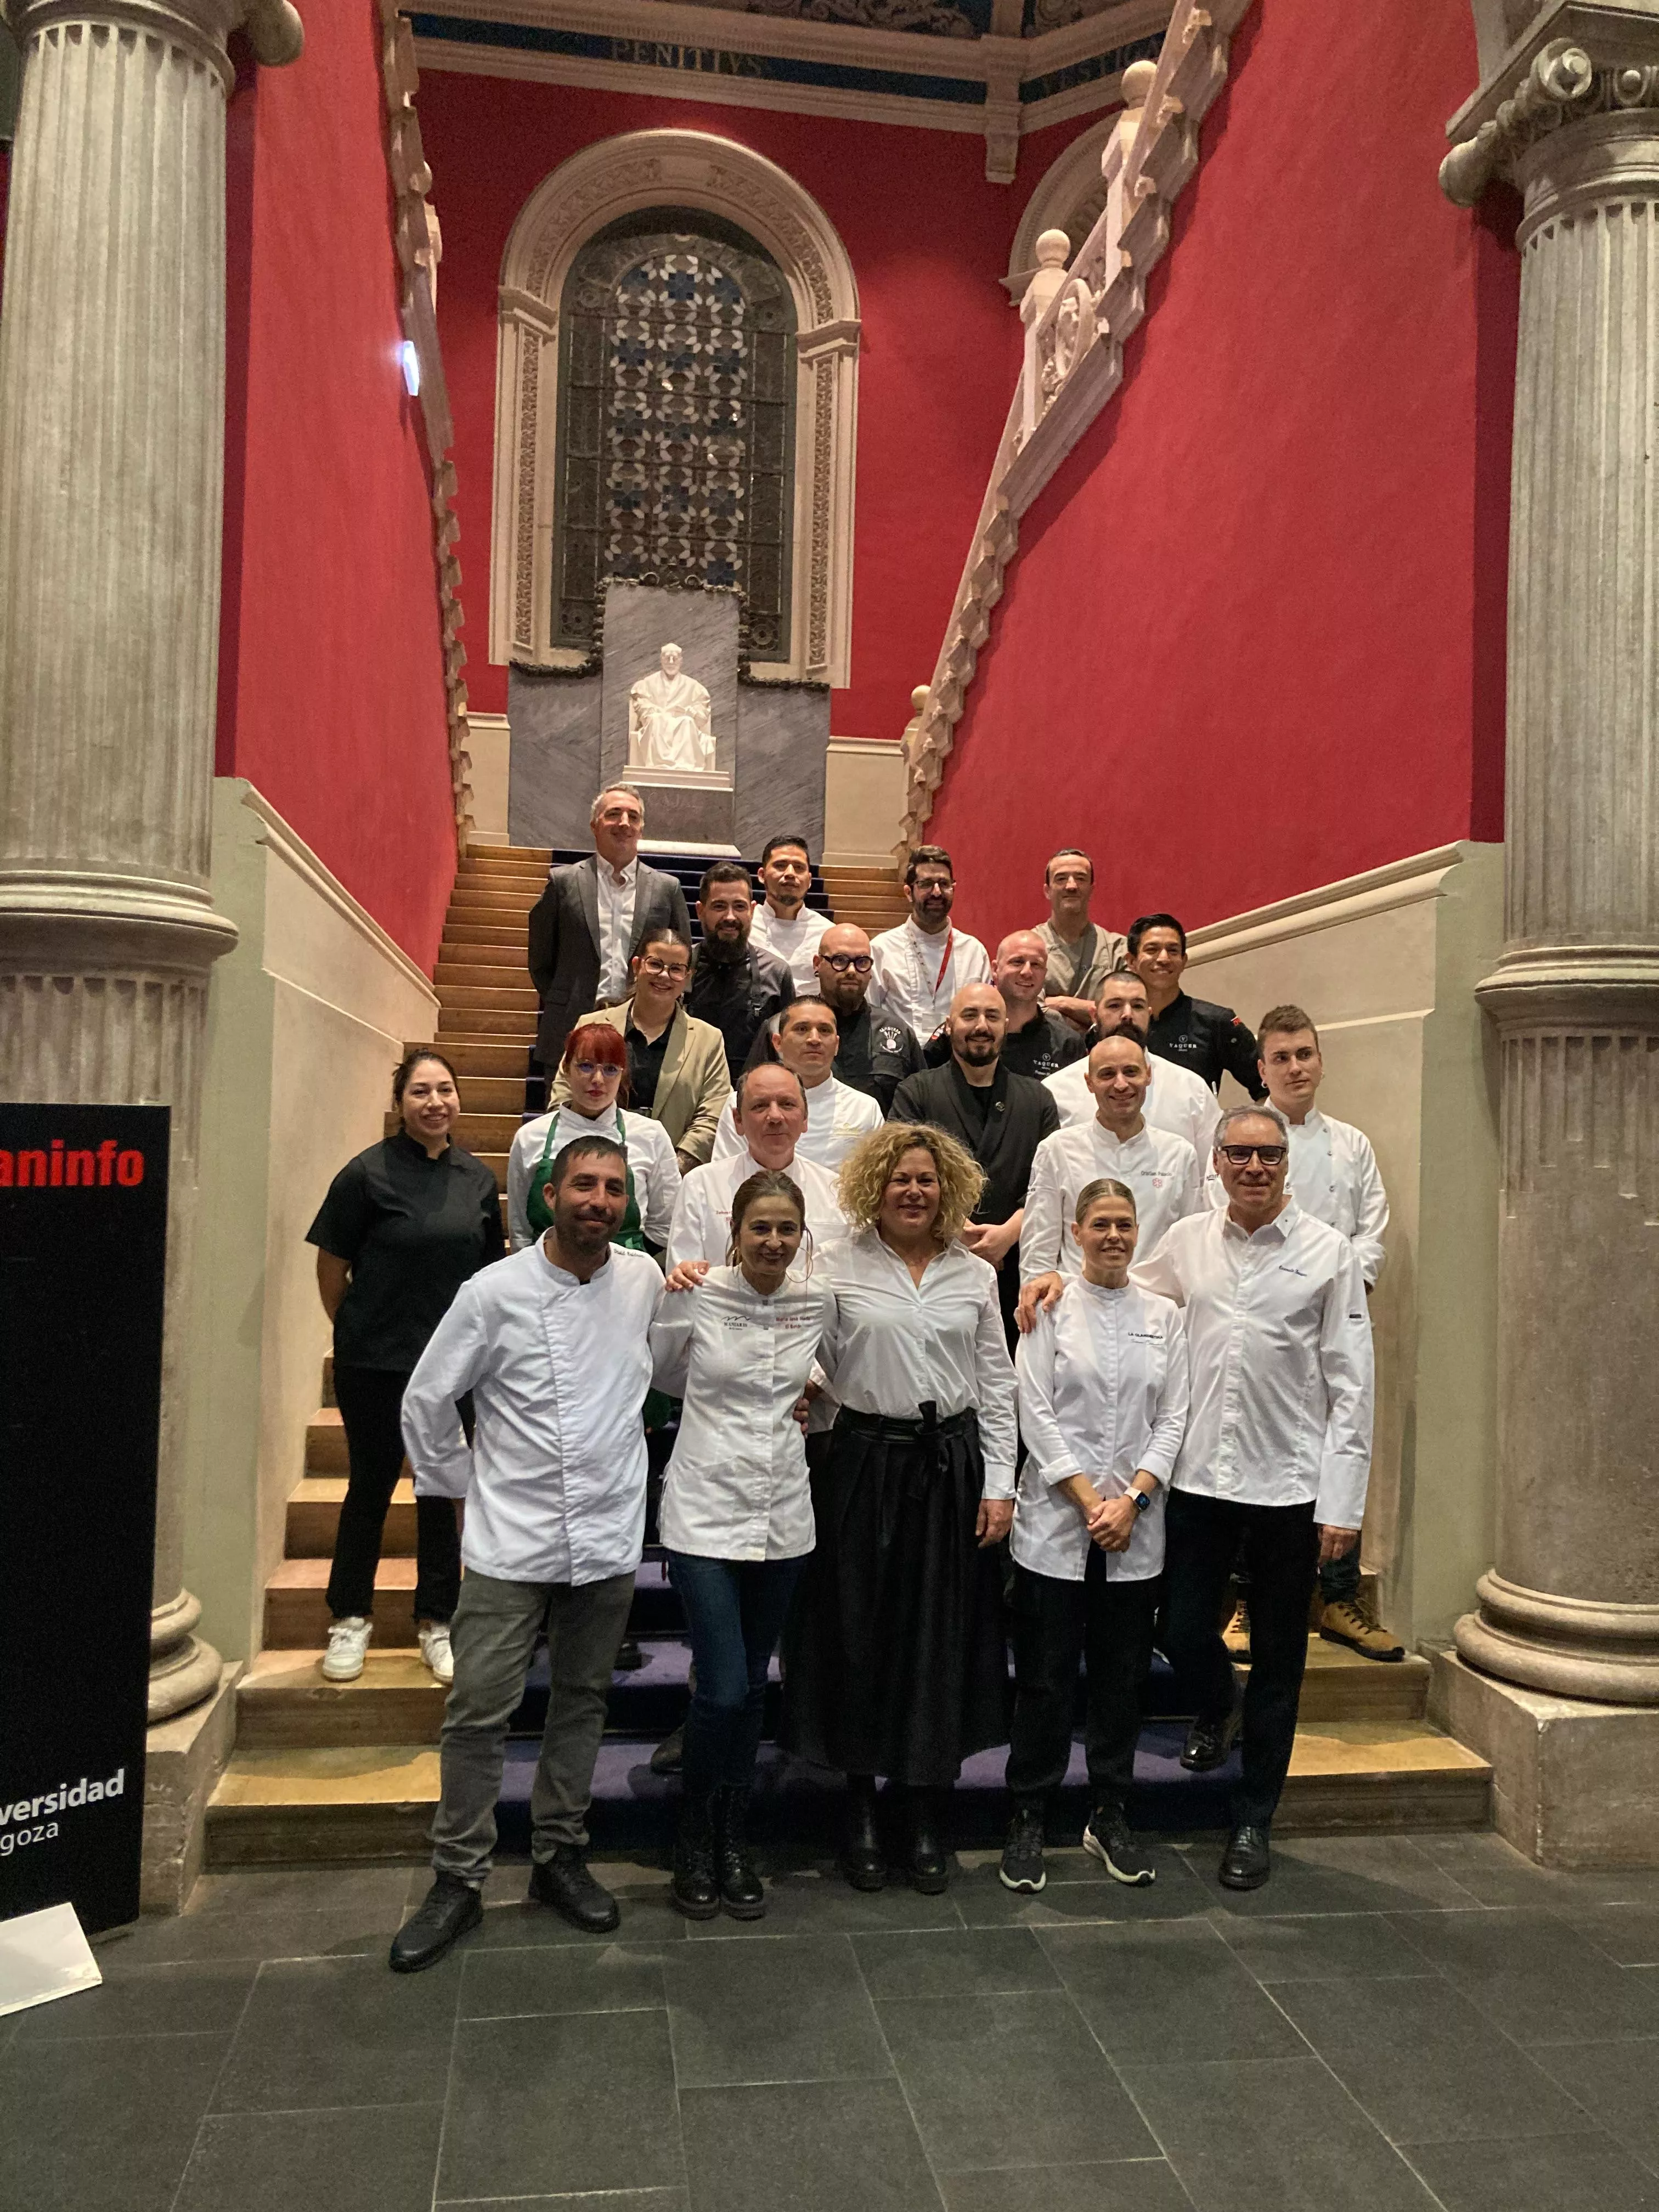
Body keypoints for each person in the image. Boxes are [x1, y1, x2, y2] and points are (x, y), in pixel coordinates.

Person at [388, 1136, 665, 1971]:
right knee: (478, 1710)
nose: (599, 1201)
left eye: (614, 1189)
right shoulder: (494, 1291)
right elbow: (428, 1398)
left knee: (581, 1701)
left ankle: (558, 1857)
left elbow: (688, 1357)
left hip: (609, 1532)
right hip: (512, 1539)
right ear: (549, 1193)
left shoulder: (645, 1281)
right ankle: (458, 1878)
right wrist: (464, 1487)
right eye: (584, 1184)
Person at [1129, 1104, 1374, 1892]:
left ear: (1286, 1166)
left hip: (1289, 1486)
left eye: (1268, 1156)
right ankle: (1215, 1702)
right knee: (1181, 1626)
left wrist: (1343, 1503)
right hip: (1199, 1475)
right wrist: (1061, 1283)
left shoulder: (1328, 1253)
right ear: (1218, 1162)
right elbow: (1130, 1300)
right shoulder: (1188, 1242)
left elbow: (1352, 1382)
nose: (1254, 1168)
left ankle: (1252, 1819)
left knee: (1280, 1658)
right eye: (1239, 1154)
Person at [782, 1122, 1017, 1893]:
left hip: (948, 1468)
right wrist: (809, 1389)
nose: (913, 1191)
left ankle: (921, 1809)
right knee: (860, 1636)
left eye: (925, 1180)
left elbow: (996, 1384)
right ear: (873, 1188)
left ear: (946, 1189)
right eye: (899, 1180)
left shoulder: (974, 1276)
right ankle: (858, 1809)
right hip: (861, 1467)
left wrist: (1000, 1485)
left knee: (933, 1644)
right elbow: (802, 1351)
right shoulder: (837, 1264)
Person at [650, 1171, 834, 1920]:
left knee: (754, 1683)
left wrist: (814, 1384)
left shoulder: (817, 1299)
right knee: (723, 1685)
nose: (774, 1242)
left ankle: (733, 1838)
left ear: (802, 1236)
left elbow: (840, 1363)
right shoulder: (697, 1291)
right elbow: (664, 1373)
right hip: (703, 1507)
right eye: (760, 1228)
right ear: (736, 1229)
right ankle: (694, 1836)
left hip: (783, 1511)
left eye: (787, 1230)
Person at [1002, 1179, 1188, 1895]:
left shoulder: (1164, 1316)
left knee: (1120, 1682)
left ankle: (1109, 1811)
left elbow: (1175, 1416)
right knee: (1046, 1681)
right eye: (1100, 1224)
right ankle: (1028, 1813)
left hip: (1133, 1531)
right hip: (1056, 1525)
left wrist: (1134, 1500)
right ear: (1075, 1232)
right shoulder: (1049, 1308)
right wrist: (1088, 1500)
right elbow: (1035, 1409)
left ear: (1139, 1233)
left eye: (1125, 1224)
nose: (1114, 1235)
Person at [306, 1049, 503, 1689]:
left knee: (441, 1490)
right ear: (400, 1104)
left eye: (445, 1089)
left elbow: (485, 1273)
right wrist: (358, 1329)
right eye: (421, 1091)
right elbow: (332, 1266)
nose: (435, 1102)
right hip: (375, 1362)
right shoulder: (364, 1175)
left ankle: (437, 1620)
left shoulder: (475, 1178)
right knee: (369, 1487)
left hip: (452, 1371)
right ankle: (350, 1618)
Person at [1209, 1005, 1397, 1662]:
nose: (1296, 1067)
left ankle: (1338, 1597)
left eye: (1306, 1054)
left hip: (1329, 1317)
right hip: (1253, 1323)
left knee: (1338, 1442)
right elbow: (1217, 1226)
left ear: (1321, 1061)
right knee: (1243, 1448)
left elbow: (1372, 1231)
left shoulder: (1351, 1145)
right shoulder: (1230, 1139)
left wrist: (1340, 1281)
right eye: (1282, 1057)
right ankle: (1241, 1603)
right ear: (1260, 1068)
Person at [893, 983, 1060, 1340]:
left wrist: (1007, 1235)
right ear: (950, 1024)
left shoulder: (1038, 1100)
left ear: (1006, 1024)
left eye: (992, 1016)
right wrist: (959, 1230)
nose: (981, 1026)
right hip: (932, 1263)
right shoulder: (916, 1093)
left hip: (1016, 1269)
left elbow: (1052, 1184)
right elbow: (899, 1175)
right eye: (969, 1015)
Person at [1018, 1033, 1201, 1297]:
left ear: (1148, 1075)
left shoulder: (1180, 1154)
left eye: (1131, 1072)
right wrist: (1035, 1304)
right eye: (1107, 1075)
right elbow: (1038, 1249)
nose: (1121, 1085)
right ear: (1089, 1083)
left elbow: (1190, 1249)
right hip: (1075, 1307)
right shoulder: (1057, 1149)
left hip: (1154, 1311)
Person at [526, 785, 691, 1071]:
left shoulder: (667, 889)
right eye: (614, 814)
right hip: (571, 1028)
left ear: (641, 829)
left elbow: (683, 958)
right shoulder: (563, 883)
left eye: (633, 817)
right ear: (595, 825)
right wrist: (570, 999)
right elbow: (541, 961)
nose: (624, 823)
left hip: (643, 1030)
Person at [552, 925, 729, 1172]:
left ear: (688, 977)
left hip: (673, 1174)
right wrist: (587, 1159)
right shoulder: (592, 1025)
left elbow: (712, 1116)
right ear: (637, 967)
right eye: (655, 964)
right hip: (589, 1168)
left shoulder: (708, 1040)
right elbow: (564, 1093)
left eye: (676, 969)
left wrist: (668, 1171)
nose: (665, 976)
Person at [509, 1020, 679, 1253]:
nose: (598, 1080)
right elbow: (520, 1229)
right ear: (567, 1068)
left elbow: (666, 1225)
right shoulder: (530, 1137)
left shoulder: (651, 1135)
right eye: (586, 1066)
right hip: (545, 1274)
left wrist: (624, 1261)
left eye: (610, 1069)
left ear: (623, 1074)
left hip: (626, 1275)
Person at [668, 1060, 847, 1267]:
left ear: (805, 1118)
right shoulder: (701, 1185)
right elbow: (683, 1278)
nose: (775, 1116)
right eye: (760, 1106)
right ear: (738, 1120)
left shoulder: (836, 1191)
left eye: (787, 1104)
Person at [747, 922, 925, 1113]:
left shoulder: (897, 1033)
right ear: (817, 964)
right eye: (840, 960)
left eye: (862, 962)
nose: (851, 971)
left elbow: (921, 1104)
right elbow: (750, 1096)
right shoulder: (779, 1027)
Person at [1044, 969, 1220, 1159]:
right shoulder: (1055, 1091)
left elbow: (1212, 1173)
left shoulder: (1192, 1089)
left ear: (1149, 1014)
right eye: (1115, 1005)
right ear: (1094, 1015)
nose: (1127, 1014)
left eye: (1138, 1006)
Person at [715, 996, 882, 1170]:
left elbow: (874, 1183)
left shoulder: (865, 1109)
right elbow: (726, 1177)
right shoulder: (741, 1103)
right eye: (802, 1029)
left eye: (825, 1030)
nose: (815, 1039)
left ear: (837, 1045)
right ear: (778, 1042)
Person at [1127, 913, 1265, 1098]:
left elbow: (1266, 1086)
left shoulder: (1218, 1022)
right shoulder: (1120, 1023)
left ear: (1184, 962)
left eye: (1173, 950)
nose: (1163, 958)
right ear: (1131, 962)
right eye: (1152, 950)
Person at [869, 844, 991, 1043]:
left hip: (957, 1062)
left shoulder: (974, 952)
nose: (937, 892)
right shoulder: (882, 949)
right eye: (926, 884)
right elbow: (871, 1016)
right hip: (899, 1061)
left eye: (944, 884)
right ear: (909, 892)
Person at [927, 930, 1086, 1082]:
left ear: (1045, 973)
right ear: (995, 969)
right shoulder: (959, 1032)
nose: (1027, 972)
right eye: (1017, 962)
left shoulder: (1068, 1044)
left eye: (1036, 964)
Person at [686, 860, 794, 1078]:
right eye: (719, 906)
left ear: (752, 910)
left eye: (739, 906)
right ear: (700, 910)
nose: (730, 917)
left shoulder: (776, 973)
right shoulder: (680, 968)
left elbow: (788, 1052)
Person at [1036, 849, 1127, 1032]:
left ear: (1092, 889)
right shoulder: (1029, 947)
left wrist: (1062, 1003)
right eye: (1061, 879)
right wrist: (1095, 1018)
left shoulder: (1117, 949)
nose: (1071, 886)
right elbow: (1028, 1012)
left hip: (1107, 1053)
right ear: (1047, 890)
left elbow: (1124, 1014)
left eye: (1081, 878)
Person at [748, 833, 831, 990]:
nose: (791, 873)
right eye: (780, 865)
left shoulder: (827, 933)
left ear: (810, 880)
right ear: (762, 875)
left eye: (799, 868)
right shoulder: (745, 926)